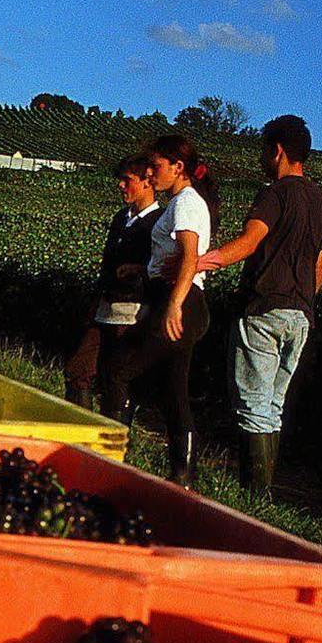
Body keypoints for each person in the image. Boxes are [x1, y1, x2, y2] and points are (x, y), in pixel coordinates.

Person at [197, 114, 322, 493]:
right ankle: (263, 496)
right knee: (273, 406)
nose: (260, 159)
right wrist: (302, 300)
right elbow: (321, 265)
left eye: (262, 151)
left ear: (276, 152)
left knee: (253, 405)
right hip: (301, 314)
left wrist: (203, 260)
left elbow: (249, 242)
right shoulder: (320, 201)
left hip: (263, 310)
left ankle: (253, 496)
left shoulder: (274, 194)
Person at [100, 134, 220, 487]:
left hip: (180, 302)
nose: (150, 174)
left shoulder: (185, 203)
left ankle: (109, 458)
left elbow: (189, 256)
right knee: (173, 391)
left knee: (119, 370)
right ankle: (182, 476)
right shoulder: (180, 203)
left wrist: (173, 306)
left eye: (156, 167)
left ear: (177, 168)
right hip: (179, 299)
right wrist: (143, 270)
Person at [65, 155, 159, 406]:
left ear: (147, 182)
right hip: (105, 306)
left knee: (115, 377)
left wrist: (139, 271)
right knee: (78, 370)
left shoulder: (158, 222)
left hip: (132, 310)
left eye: (127, 180)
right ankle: (80, 433)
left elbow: (162, 266)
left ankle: (115, 436)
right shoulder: (121, 217)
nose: (121, 185)